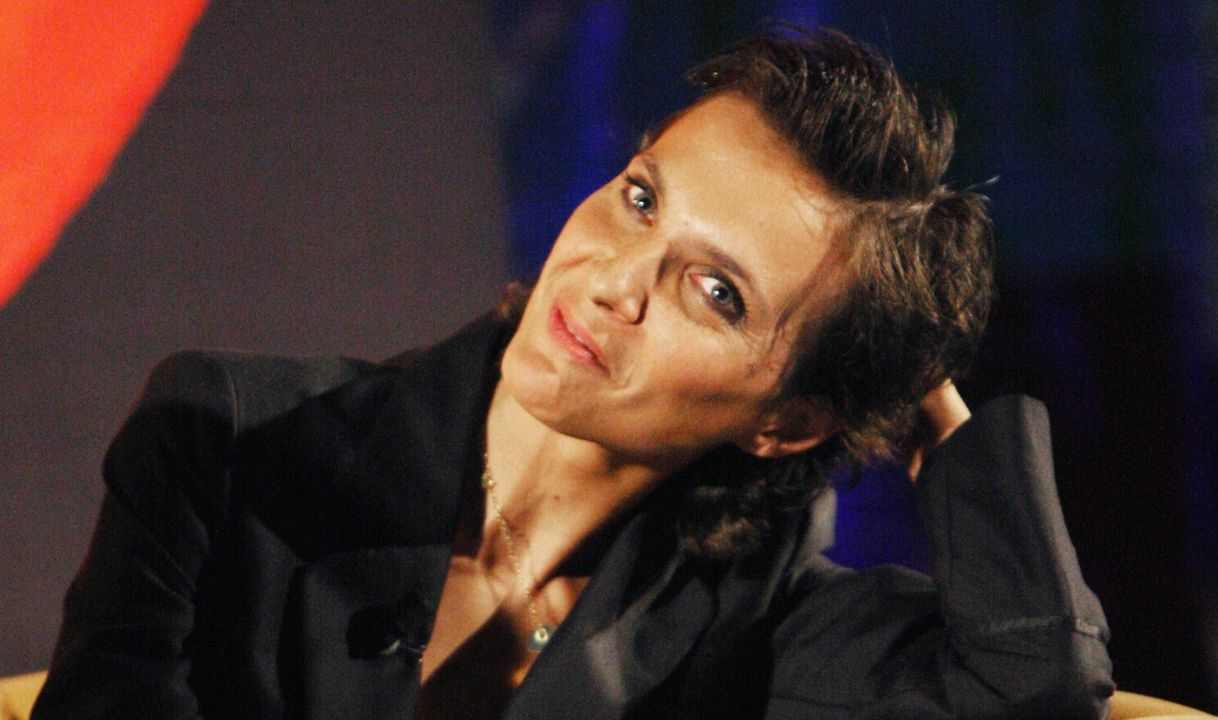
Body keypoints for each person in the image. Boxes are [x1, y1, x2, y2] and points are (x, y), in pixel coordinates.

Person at [33, 27, 1114, 719]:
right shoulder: (225, 441)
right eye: (641, 199)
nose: (614, 283)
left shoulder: (752, 625)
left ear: (785, 422)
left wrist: (932, 410)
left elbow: (1030, 686)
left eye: (716, 292)